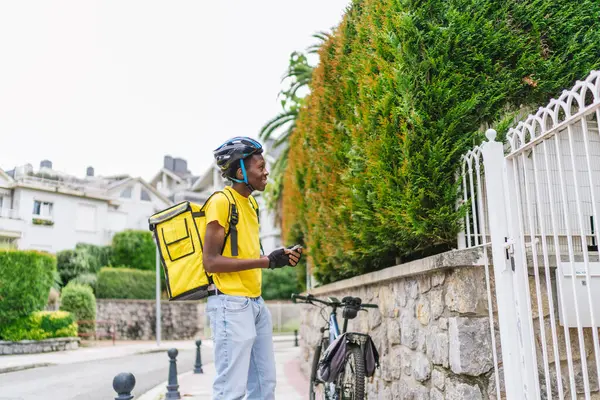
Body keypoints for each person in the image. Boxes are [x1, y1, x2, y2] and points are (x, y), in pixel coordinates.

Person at [203, 136, 302, 400]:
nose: (266, 171)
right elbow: (210, 262)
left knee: (264, 386)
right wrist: (265, 260)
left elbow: (248, 254)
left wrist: (276, 257)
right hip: (230, 305)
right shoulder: (221, 201)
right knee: (230, 391)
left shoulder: (251, 204)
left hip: (255, 304)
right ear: (240, 171)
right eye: (260, 166)